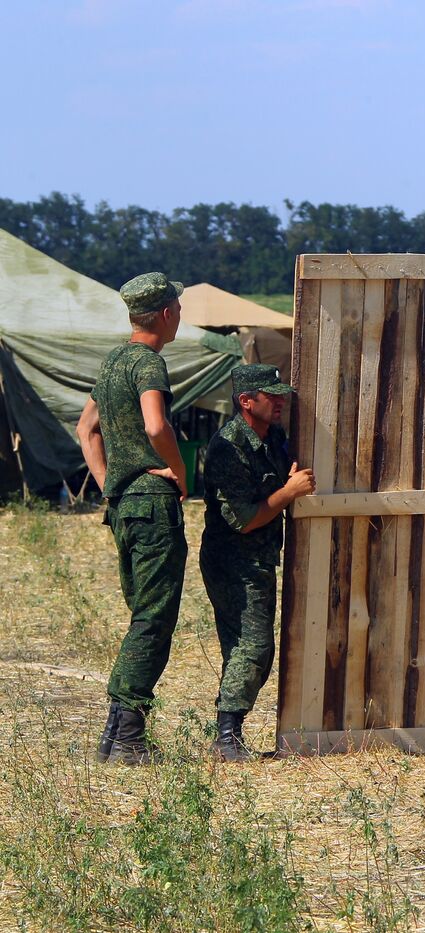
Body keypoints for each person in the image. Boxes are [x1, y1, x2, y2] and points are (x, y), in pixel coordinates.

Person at [76, 272, 189, 765]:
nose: (180, 316)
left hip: (124, 505)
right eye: (178, 309)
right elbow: (154, 424)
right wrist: (179, 472)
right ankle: (127, 735)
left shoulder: (112, 362)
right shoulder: (147, 363)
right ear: (166, 314)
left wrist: (109, 485)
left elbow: (86, 430)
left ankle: (116, 733)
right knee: (154, 617)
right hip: (152, 503)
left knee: (145, 611)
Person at [201, 364, 315, 761]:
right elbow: (245, 519)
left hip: (260, 560)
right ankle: (226, 737)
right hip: (233, 561)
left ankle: (229, 733)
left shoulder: (272, 437)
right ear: (246, 402)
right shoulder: (227, 447)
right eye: (272, 395)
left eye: (281, 394)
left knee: (255, 648)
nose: (280, 401)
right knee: (252, 646)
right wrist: (290, 491)